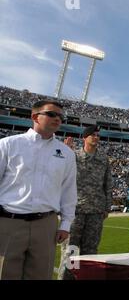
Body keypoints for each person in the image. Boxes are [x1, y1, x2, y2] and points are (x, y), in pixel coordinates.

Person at [0, 100, 77, 280]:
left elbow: (68, 191)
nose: (57, 119)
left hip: (46, 223)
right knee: (4, 273)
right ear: (35, 116)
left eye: (60, 116)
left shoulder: (66, 153)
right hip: (8, 220)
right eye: (51, 114)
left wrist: (65, 224)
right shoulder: (8, 145)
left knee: (41, 275)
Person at [58, 125, 113, 280]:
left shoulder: (103, 159)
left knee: (91, 252)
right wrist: (64, 153)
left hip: (96, 211)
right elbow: (60, 177)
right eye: (92, 135)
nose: (96, 137)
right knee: (71, 251)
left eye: (98, 135)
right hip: (75, 211)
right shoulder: (73, 156)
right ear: (84, 138)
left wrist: (106, 207)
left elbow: (108, 184)